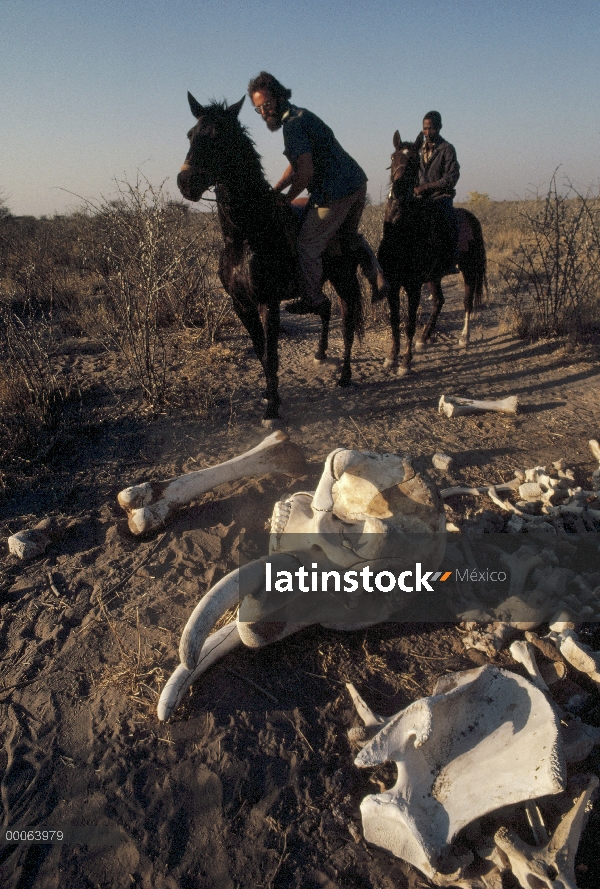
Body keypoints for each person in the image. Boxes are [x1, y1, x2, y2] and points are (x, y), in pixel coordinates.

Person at [248, 71, 386, 313]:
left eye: (266, 105)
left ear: (279, 97)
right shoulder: (301, 115)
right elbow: (296, 164)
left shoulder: (292, 125)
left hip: (335, 191)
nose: (263, 113)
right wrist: (277, 189)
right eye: (258, 108)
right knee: (343, 235)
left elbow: (306, 172)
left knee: (307, 244)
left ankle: (312, 297)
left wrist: (287, 199)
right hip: (355, 182)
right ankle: (377, 275)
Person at [414, 111, 460, 277]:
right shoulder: (419, 150)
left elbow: (451, 177)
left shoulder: (447, 149)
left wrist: (427, 187)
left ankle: (451, 259)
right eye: (424, 129)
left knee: (447, 221)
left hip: (441, 197)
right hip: (421, 199)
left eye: (430, 129)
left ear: (439, 128)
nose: (427, 132)